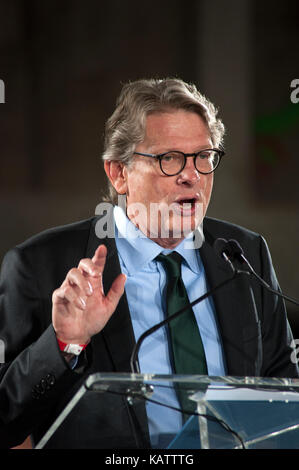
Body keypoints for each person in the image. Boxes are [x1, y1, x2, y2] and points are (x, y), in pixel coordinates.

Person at [0, 78, 298, 449]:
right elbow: (6, 419)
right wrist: (65, 342)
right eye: (169, 158)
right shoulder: (39, 265)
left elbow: (284, 392)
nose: (192, 175)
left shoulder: (244, 254)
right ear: (119, 173)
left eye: (204, 157)